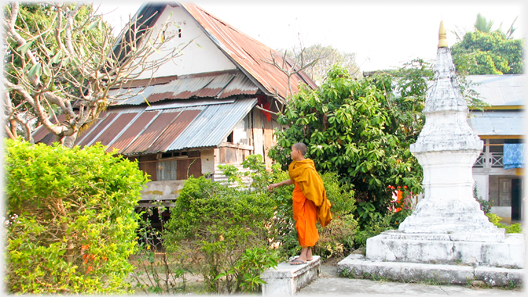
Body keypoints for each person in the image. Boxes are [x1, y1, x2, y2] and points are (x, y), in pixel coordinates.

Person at [268, 142, 332, 265]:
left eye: (292, 150)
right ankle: (308, 254)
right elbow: (294, 181)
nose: (290, 153)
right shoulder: (297, 166)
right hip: (299, 199)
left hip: (306, 201)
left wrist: (316, 198)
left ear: (298, 152)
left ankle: (303, 256)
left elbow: (316, 185)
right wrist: (277, 184)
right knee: (303, 224)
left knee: (304, 225)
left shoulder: (307, 168)